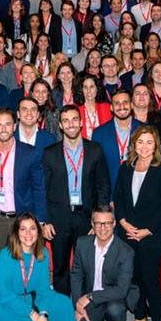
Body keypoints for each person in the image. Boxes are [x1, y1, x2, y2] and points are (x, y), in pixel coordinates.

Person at [0, 108, 48, 321]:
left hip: (21, 219)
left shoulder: (30, 153)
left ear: (15, 126)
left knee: (25, 265)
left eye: (8, 124)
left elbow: (39, 188)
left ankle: (28, 310)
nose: (4, 129)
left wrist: (41, 221)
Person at [113, 126, 161, 321]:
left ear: (155, 145)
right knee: (133, 279)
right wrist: (123, 222)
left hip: (151, 236)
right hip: (127, 233)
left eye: (149, 142)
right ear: (134, 144)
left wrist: (146, 230)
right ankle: (140, 316)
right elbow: (118, 198)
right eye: (140, 142)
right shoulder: (125, 168)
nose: (144, 147)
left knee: (150, 281)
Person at [43, 105, 111, 295]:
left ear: (81, 122)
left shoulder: (95, 150)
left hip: (86, 218)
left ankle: (85, 306)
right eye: (66, 121)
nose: (71, 124)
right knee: (60, 268)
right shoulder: (50, 153)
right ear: (61, 126)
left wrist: (98, 221)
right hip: (59, 219)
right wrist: (46, 220)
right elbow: (44, 190)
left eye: (74, 119)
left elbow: (103, 186)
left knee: (87, 267)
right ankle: (62, 309)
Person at [0, 214, 73, 321]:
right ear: (16, 232)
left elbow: (43, 290)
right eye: (23, 229)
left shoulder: (44, 253)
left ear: (39, 231)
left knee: (65, 305)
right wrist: (34, 315)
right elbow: (5, 294)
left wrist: (43, 314)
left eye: (32, 229)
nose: (28, 234)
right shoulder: (5, 255)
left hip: (32, 299)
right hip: (8, 304)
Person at [69, 206, 134, 321]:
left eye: (107, 223)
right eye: (98, 223)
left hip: (113, 297)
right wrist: (78, 305)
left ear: (114, 223)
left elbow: (121, 290)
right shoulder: (82, 243)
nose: (103, 228)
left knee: (115, 310)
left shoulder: (126, 251)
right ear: (92, 224)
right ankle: (98, 318)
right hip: (91, 299)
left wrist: (90, 297)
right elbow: (76, 275)